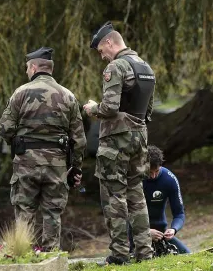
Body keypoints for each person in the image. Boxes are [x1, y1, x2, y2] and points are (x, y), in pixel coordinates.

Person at [0, 46, 87, 252]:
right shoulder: (68, 96)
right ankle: (50, 256)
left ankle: (23, 255)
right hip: (56, 165)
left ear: (35, 67)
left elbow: (4, 129)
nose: (27, 72)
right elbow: (79, 139)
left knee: (25, 211)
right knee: (52, 212)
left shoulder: (20, 93)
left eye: (28, 68)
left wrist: (20, 142)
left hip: (25, 162)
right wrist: (76, 168)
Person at [83, 21, 156, 265]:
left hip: (116, 142)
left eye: (101, 51)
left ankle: (119, 255)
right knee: (136, 195)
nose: (102, 57)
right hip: (140, 140)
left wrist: (94, 108)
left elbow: (110, 107)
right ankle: (145, 253)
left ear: (109, 42)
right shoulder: (146, 67)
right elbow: (148, 111)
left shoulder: (117, 66)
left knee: (114, 196)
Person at [128, 145, 191, 255]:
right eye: (149, 172)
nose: (153, 176)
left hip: (161, 234)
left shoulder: (169, 179)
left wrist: (173, 229)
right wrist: (145, 233)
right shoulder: (134, 179)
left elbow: (179, 214)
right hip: (136, 235)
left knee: (188, 255)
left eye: (156, 171)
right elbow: (124, 213)